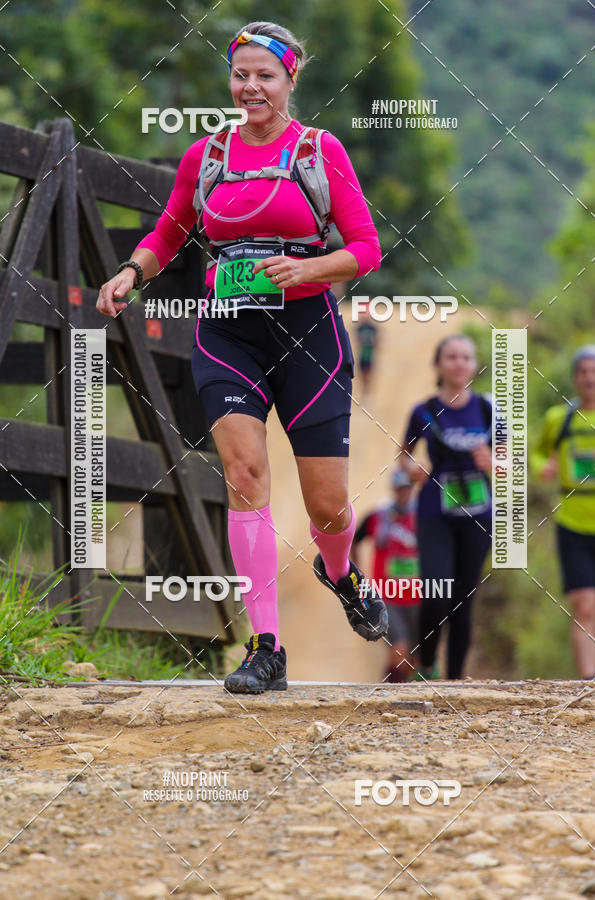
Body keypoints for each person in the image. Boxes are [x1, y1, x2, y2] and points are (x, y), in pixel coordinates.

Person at [95, 21, 388, 694]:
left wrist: (310, 269)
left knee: (328, 507)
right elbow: (171, 229)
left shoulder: (320, 150)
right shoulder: (208, 154)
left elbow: (366, 248)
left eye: (266, 75)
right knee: (245, 473)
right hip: (226, 333)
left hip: (307, 332)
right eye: (241, 74)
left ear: (290, 81)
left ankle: (340, 573)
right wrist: (132, 272)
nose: (251, 87)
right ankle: (265, 649)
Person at [398, 334, 493, 680]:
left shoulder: (488, 408)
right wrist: (411, 470)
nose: (459, 363)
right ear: (438, 364)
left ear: (474, 364)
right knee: (437, 593)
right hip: (434, 514)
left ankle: (455, 682)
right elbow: (403, 456)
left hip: (478, 517)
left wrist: (493, 463)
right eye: (451, 357)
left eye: (466, 357)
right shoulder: (422, 411)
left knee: (463, 602)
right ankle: (425, 665)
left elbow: (510, 463)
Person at [532, 345, 595, 680]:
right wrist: (545, 466)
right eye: (583, 371)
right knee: (585, 606)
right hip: (572, 525)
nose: (589, 377)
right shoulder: (558, 420)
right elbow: (536, 454)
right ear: (574, 378)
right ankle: (588, 683)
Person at [352, 469, 421, 682]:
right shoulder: (378, 517)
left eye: (408, 488)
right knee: (399, 649)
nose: (404, 493)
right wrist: (358, 574)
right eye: (400, 489)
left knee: (414, 657)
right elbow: (354, 539)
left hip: (418, 597)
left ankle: (408, 695)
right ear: (394, 489)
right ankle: (389, 693)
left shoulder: (423, 516)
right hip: (387, 598)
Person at [355, 308, 378, 398]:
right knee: (362, 375)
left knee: (368, 374)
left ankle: (367, 392)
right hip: (362, 354)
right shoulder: (360, 328)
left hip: (369, 354)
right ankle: (365, 392)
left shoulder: (372, 328)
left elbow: (377, 341)